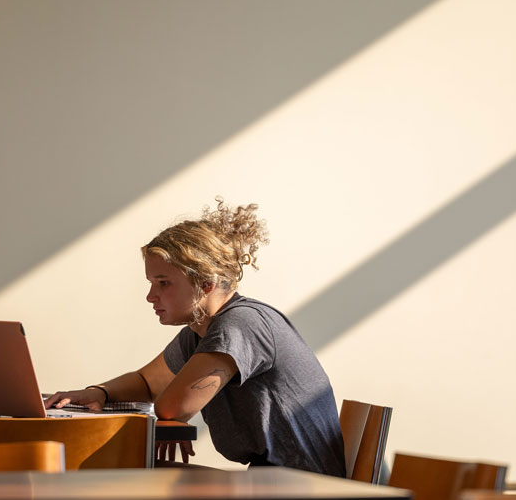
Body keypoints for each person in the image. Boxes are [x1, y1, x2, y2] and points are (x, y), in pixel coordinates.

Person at [44, 198, 346, 476]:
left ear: (205, 283)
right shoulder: (201, 332)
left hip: (303, 485)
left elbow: (173, 407)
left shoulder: (240, 325)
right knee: (138, 472)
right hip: (274, 478)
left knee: (131, 476)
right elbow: (148, 383)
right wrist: (99, 392)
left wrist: (176, 414)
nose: (151, 296)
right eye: (151, 283)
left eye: (163, 283)